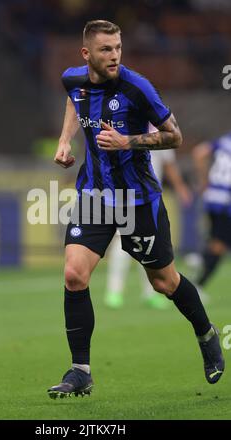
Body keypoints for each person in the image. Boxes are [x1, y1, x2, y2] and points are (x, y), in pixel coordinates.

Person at [48, 20, 224, 399]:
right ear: (86, 54)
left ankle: (206, 333)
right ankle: (81, 371)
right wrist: (65, 140)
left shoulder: (137, 87)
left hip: (138, 201)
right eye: (106, 50)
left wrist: (127, 140)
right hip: (94, 195)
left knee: (164, 282)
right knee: (75, 275)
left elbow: (174, 136)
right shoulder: (73, 79)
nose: (114, 56)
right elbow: (73, 98)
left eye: (117, 48)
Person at [104, 138, 193, 310]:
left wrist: (180, 187)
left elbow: (168, 163)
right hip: (126, 194)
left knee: (149, 244)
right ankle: (114, 291)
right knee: (122, 240)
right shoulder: (126, 125)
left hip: (150, 197)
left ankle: (149, 293)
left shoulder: (157, 130)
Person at [192, 131, 231, 292]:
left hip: (213, 196)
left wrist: (205, 181)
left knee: (217, 240)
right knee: (220, 245)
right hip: (226, 201)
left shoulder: (225, 140)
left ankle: (200, 258)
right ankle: (198, 284)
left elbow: (199, 152)